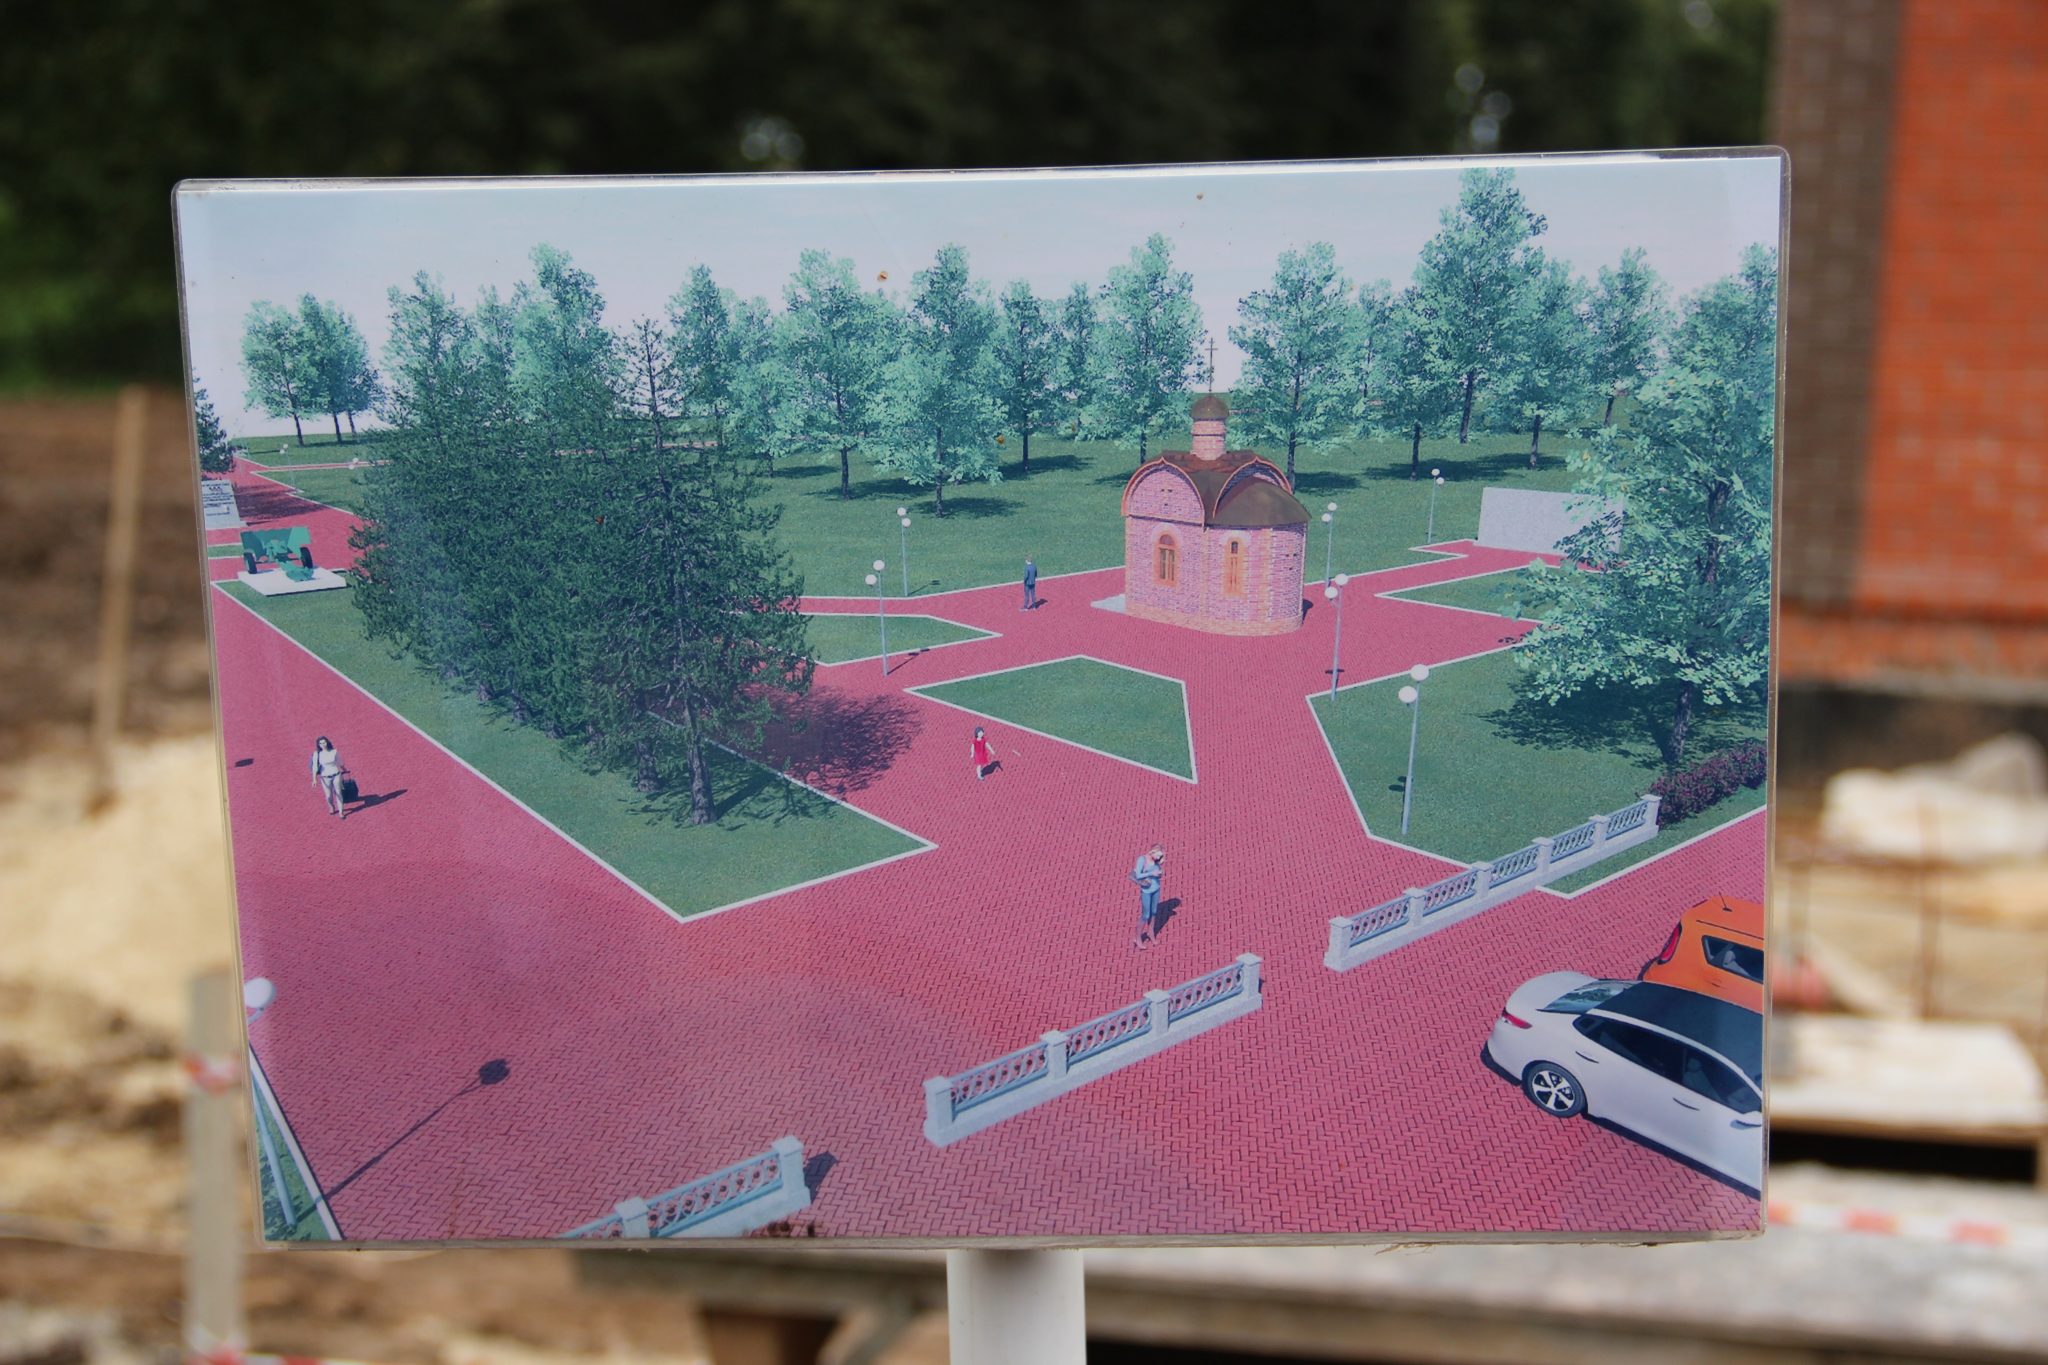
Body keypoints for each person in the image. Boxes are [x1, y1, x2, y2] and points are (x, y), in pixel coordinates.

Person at [1129, 844, 1165, 949]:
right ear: (1153, 852)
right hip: (1146, 891)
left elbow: (1158, 871)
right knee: (1145, 915)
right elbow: (1138, 875)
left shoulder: (1157, 860)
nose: (1159, 857)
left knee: (1154, 912)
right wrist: (1151, 873)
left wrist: (1160, 873)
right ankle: (1137, 937)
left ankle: (1151, 932)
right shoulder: (1142, 860)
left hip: (1156, 888)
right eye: (1158, 855)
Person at [310, 735, 349, 820]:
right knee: (328, 795)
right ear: (318, 745)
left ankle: (341, 812)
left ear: (327, 742)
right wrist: (314, 779)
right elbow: (315, 767)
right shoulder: (317, 754)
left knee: (338, 793)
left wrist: (345, 770)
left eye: (324, 742)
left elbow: (340, 762)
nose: (323, 745)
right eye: (320, 743)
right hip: (325, 777)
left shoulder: (334, 752)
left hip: (336, 774)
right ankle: (331, 806)